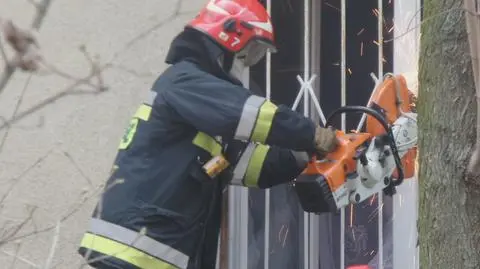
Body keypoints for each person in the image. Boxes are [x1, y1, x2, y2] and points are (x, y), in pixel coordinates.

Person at [77, 0, 338, 268]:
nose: (249, 62)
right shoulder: (188, 81)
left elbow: (247, 164)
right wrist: (311, 134)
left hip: (150, 250)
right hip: (135, 247)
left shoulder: (201, 113)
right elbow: (251, 114)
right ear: (231, 38)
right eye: (253, 51)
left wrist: (305, 155)